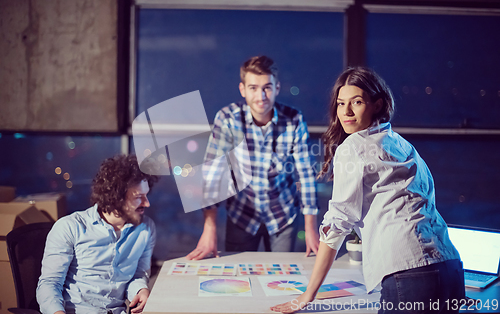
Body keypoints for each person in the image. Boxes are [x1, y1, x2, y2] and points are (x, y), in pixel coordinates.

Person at [271, 67, 465, 313]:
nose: (346, 112)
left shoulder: (353, 147)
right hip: (450, 267)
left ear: (377, 104)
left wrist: (307, 295)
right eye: (341, 103)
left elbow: (338, 223)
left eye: (357, 102)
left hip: (408, 271)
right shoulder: (401, 143)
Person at [187, 55, 319, 260]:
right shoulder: (227, 119)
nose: (261, 96)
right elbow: (213, 175)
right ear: (242, 89)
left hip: (282, 215)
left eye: (267, 87)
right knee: (238, 278)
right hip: (242, 214)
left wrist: (311, 228)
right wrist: (209, 227)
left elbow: (306, 175)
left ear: (277, 88)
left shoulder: (294, 119)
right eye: (253, 88)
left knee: (283, 279)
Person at [37, 154, 159, 314]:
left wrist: (141, 289)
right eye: (138, 197)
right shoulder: (70, 227)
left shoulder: (146, 228)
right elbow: (49, 285)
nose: (147, 203)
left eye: (146, 195)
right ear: (116, 198)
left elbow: (138, 274)